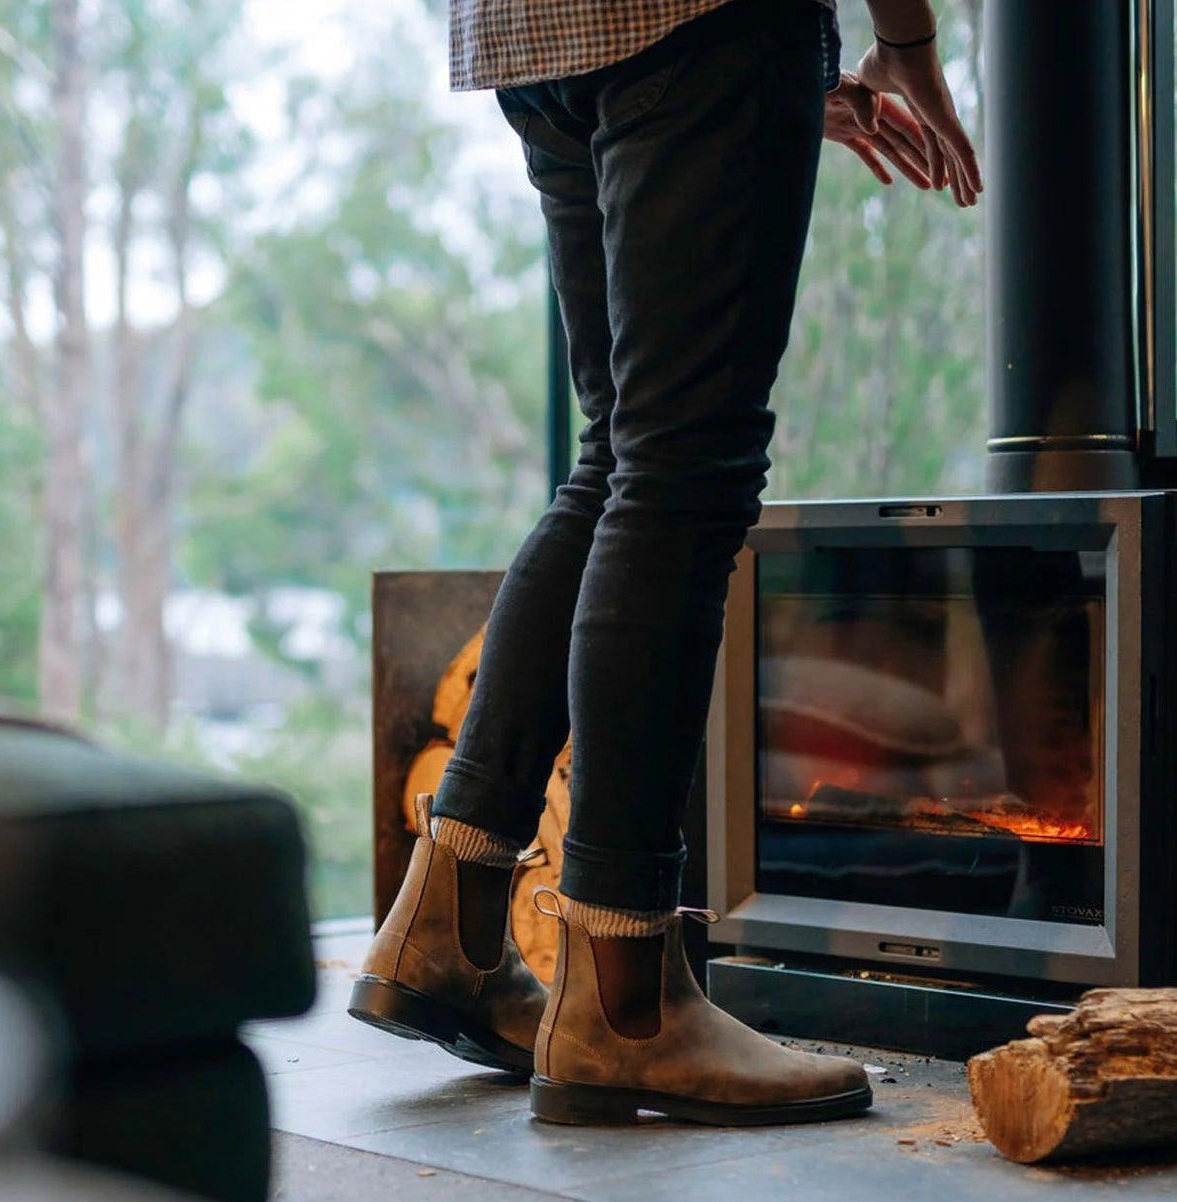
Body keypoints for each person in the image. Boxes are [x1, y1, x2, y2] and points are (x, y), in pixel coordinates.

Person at [350, 0, 981, 1125]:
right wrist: (905, 38)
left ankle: (444, 920)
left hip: (533, 36)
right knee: (683, 470)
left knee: (622, 460)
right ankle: (624, 1003)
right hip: (698, 17)